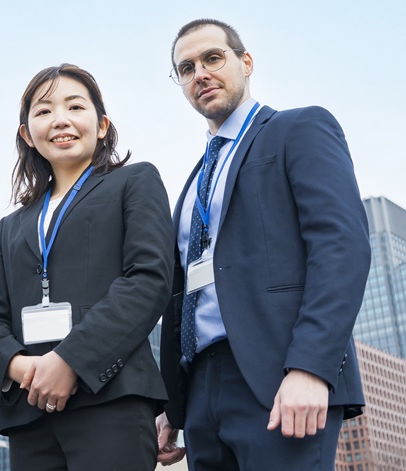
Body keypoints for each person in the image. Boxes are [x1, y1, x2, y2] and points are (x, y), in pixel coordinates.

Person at [156, 19, 370, 470]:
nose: (201, 74)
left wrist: (311, 367)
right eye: (186, 68)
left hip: (280, 378)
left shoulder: (299, 129)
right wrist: (173, 404)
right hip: (201, 391)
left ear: (246, 62)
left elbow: (341, 248)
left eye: (213, 58)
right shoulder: (194, 180)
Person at [0, 64, 174, 470]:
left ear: (101, 125)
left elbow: (148, 280)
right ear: (27, 134)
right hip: (30, 413)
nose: (60, 119)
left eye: (75, 106)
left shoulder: (134, 182)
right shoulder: (11, 226)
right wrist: (19, 365)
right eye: (44, 111)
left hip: (111, 400)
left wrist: (69, 361)